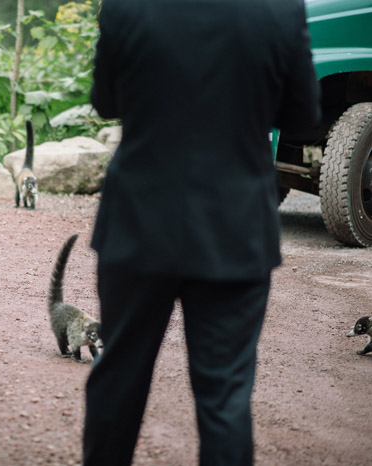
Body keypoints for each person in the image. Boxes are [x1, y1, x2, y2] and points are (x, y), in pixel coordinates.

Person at [83, 1, 321, 465]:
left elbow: (105, 101)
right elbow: (302, 114)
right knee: (226, 397)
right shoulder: (279, 10)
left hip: (139, 221)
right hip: (235, 227)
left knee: (118, 377)